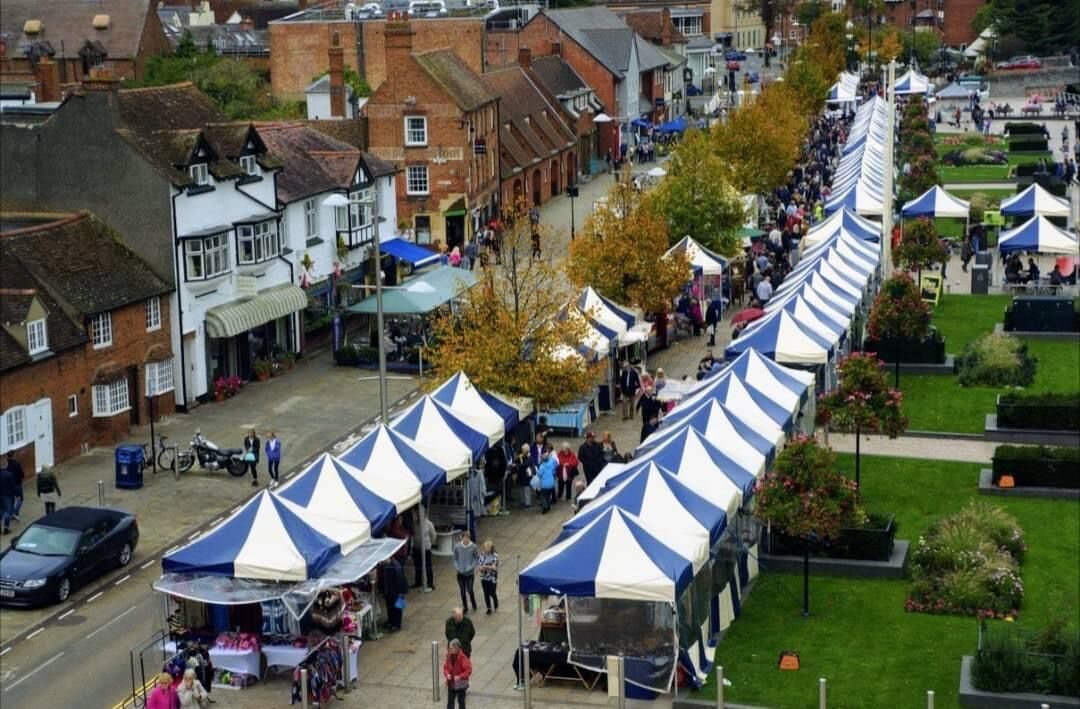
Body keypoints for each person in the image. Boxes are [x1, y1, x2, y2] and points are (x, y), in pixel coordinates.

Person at [453, 531, 479, 613]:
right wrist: (457, 567)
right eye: (465, 538)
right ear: (462, 538)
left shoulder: (473, 547)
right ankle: (465, 607)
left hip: (469, 574)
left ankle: (473, 603)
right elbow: (455, 558)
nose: (466, 539)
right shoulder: (457, 547)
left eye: (468, 538)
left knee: (470, 589)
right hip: (460, 574)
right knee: (462, 591)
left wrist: (471, 567)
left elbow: (476, 558)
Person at [443, 639, 473, 709]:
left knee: (461, 702)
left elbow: (468, 670)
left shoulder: (463, 658)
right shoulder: (449, 656)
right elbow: (445, 667)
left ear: (456, 648)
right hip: (451, 682)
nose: (449, 649)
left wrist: (460, 676)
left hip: (460, 684)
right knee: (450, 702)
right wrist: (447, 674)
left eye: (451, 648)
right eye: (449, 648)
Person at [412, 506, 436, 590]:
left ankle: (430, 583)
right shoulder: (414, 524)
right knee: (417, 566)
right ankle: (418, 582)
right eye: (417, 514)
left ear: (424, 514)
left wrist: (429, 544)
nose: (418, 516)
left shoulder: (429, 524)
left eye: (420, 514)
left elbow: (433, 536)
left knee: (428, 566)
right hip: (416, 548)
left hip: (426, 548)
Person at [477, 540, 499, 614]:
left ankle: (495, 602)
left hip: (492, 577)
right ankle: (488, 608)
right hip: (484, 577)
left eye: (488, 548)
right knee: (486, 593)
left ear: (491, 548)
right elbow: (479, 566)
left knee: (492, 592)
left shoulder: (495, 555)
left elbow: (494, 567)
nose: (486, 549)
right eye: (485, 547)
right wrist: (484, 567)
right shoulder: (482, 555)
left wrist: (485, 566)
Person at [513, 444, 534, 509]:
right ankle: (523, 502)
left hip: (526, 475)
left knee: (526, 490)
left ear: (527, 450)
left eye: (523, 449)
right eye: (522, 449)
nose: (522, 450)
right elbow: (515, 461)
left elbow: (526, 464)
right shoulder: (521, 456)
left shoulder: (529, 457)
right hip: (521, 475)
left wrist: (517, 465)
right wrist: (517, 460)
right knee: (521, 489)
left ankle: (528, 504)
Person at [536, 449, 557, 514]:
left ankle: (545, 507)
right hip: (551, 484)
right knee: (548, 496)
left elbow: (539, 474)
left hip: (544, 484)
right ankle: (548, 506)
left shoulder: (542, 466)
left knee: (543, 496)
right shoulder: (551, 464)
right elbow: (554, 470)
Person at [5, 452, 24, 522]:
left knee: (11, 500)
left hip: (8, 486)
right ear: (13, 456)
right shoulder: (17, 464)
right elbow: (22, 475)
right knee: (20, 499)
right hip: (17, 484)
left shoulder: (5, 465)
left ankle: (11, 513)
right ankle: (15, 512)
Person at [0, 460, 16, 535]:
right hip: (7, 496)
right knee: (7, 512)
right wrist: (15, 494)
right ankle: (6, 528)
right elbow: (13, 486)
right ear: (5, 465)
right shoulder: (9, 474)